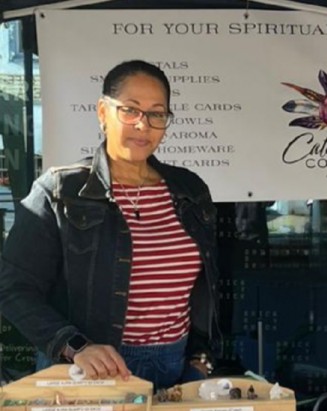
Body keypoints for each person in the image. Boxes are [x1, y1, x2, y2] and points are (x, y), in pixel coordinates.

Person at [0, 60, 220, 390]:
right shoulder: (60, 191)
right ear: (103, 112)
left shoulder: (190, 190)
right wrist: (75, 346)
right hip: (89, 372)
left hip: (174, 364)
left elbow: (209, 286)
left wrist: (200, 358)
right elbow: (12, 288)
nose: (143, 125)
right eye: (130, 110)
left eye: (157, 113)